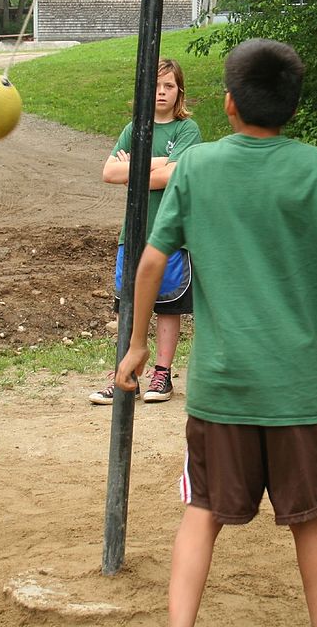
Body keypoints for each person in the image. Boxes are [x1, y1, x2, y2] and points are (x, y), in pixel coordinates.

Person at [114, 39, 317, 627]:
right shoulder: (313, 166)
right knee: (310, 518)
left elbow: (152, 261)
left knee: (201, 511)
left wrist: (136, 344)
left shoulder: (198, 165)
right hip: (301, 388)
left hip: (223, 384)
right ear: (293, 107)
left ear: (229, 103)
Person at [89, 59, 202, 405]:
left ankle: (162, 375)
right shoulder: (134, 128)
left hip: (173, 234)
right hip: (134, 234)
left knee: (168, 306)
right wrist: (158, 162)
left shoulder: (187, 130)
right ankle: (127, 374)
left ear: (179, 91)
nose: (161, 93)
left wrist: (133, 165)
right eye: (154, 87)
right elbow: (108, 172)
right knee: (128, 304)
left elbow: (175, 175)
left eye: (168, 86)